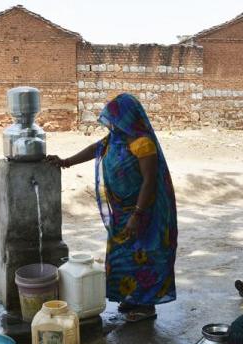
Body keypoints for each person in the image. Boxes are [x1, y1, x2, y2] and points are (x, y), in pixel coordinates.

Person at [46, 93, 178, 323]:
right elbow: (93, 149)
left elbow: (149, 181)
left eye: (115, 118)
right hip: (121, 211)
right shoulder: (115, 139)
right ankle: (131, 297)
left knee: (144, 255)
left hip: (143, 211)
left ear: (127, 117)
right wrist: (65, 162)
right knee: (124, 255)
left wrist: (137, 214)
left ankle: (146, 305)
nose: (112, 123)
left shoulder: (142, 143)